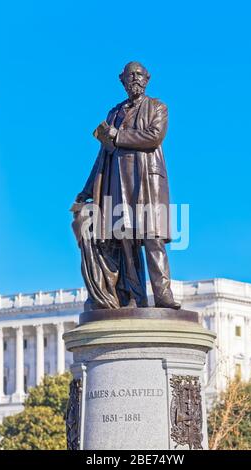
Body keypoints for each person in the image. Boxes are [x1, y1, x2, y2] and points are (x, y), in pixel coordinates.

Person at [75, 61, 180, 310]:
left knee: (153, 239)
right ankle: (135, 296)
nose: (135, 78)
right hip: (117, 182)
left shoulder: (158, 107)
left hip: (147, 182)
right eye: (130, 75)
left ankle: (163, 295)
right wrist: (87, 190)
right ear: (122, 80)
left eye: (139, 74)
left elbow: (154, 136)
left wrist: (117, 136)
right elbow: (102, 156)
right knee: (126, 242)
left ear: (147, 79)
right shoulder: (114, 113)